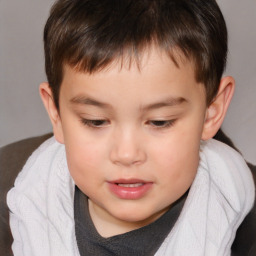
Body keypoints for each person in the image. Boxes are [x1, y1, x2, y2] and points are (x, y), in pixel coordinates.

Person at [7, 0, 255, 255]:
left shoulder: (230, 202)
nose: (127, 154)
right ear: (56, 113)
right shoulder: (23, 191)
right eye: (95, 121)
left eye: (160, 122)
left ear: (211, 112)